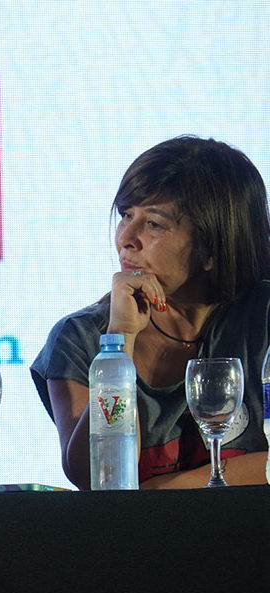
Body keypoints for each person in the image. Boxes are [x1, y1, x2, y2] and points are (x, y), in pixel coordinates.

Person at [32, 136, 270, 489]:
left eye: (154, 224)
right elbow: (94, 477)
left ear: (212, 247)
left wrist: (162, 492)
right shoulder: (80, 337)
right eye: (126, 215)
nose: (126, 237)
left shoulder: (262, 319)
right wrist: (120, 341)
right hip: (136, 543)